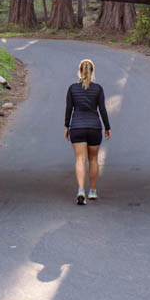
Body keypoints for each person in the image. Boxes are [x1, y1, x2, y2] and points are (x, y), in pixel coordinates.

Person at [64, 58, 110, 205]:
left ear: (79, 71)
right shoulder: (98, 88)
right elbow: (102, 109)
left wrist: (67, 126)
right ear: (92, 71)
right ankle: (93, 191)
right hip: (94, 127)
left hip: (77, 127)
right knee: (93, 159)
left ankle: (80, 190)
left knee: (80, 160)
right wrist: (107, 127)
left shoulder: (72, 88)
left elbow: (69, 109)